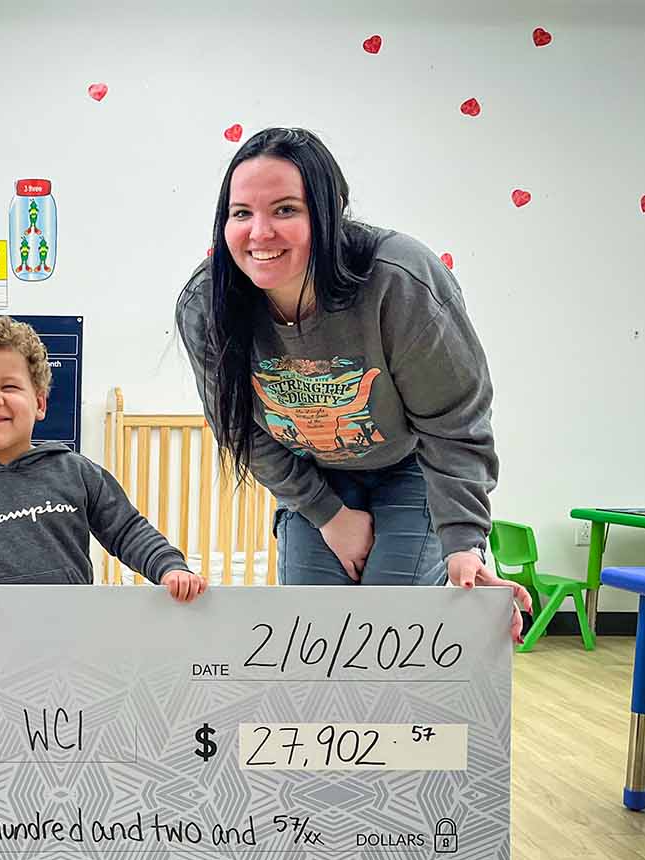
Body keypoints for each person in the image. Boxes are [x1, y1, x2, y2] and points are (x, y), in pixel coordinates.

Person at [175, 126, 530, 640]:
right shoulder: (206, 305)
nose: (259, 233)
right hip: (312, 473)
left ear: (328, 213)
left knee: (389, 626)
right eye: (241, 213)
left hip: (412, 468)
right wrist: (329, 515)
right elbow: (241, 431)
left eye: (286, 210)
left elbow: (455, 421)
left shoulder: (399, 280)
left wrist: (464, 542)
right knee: (312, 637)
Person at [0, 315, 207, 615]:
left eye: (9, 387)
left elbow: (127, 531)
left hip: (71, 641)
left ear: (40, 402)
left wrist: (169, 566)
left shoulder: (77, 473)